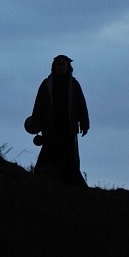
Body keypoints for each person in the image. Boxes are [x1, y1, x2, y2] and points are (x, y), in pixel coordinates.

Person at [27, 55, 89, 187]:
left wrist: (84, 124)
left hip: (68, 128)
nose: (61, 67)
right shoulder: (46, 84)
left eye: (63, 64)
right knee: (48, 155)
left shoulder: (74, 84)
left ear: (68, 67)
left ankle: (72, 186)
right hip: (51, 127)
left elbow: (81, 105)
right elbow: (39, 104)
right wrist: (35, 123)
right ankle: (42, 182)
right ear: (54, 66)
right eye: (58, 64)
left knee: (70, 158)